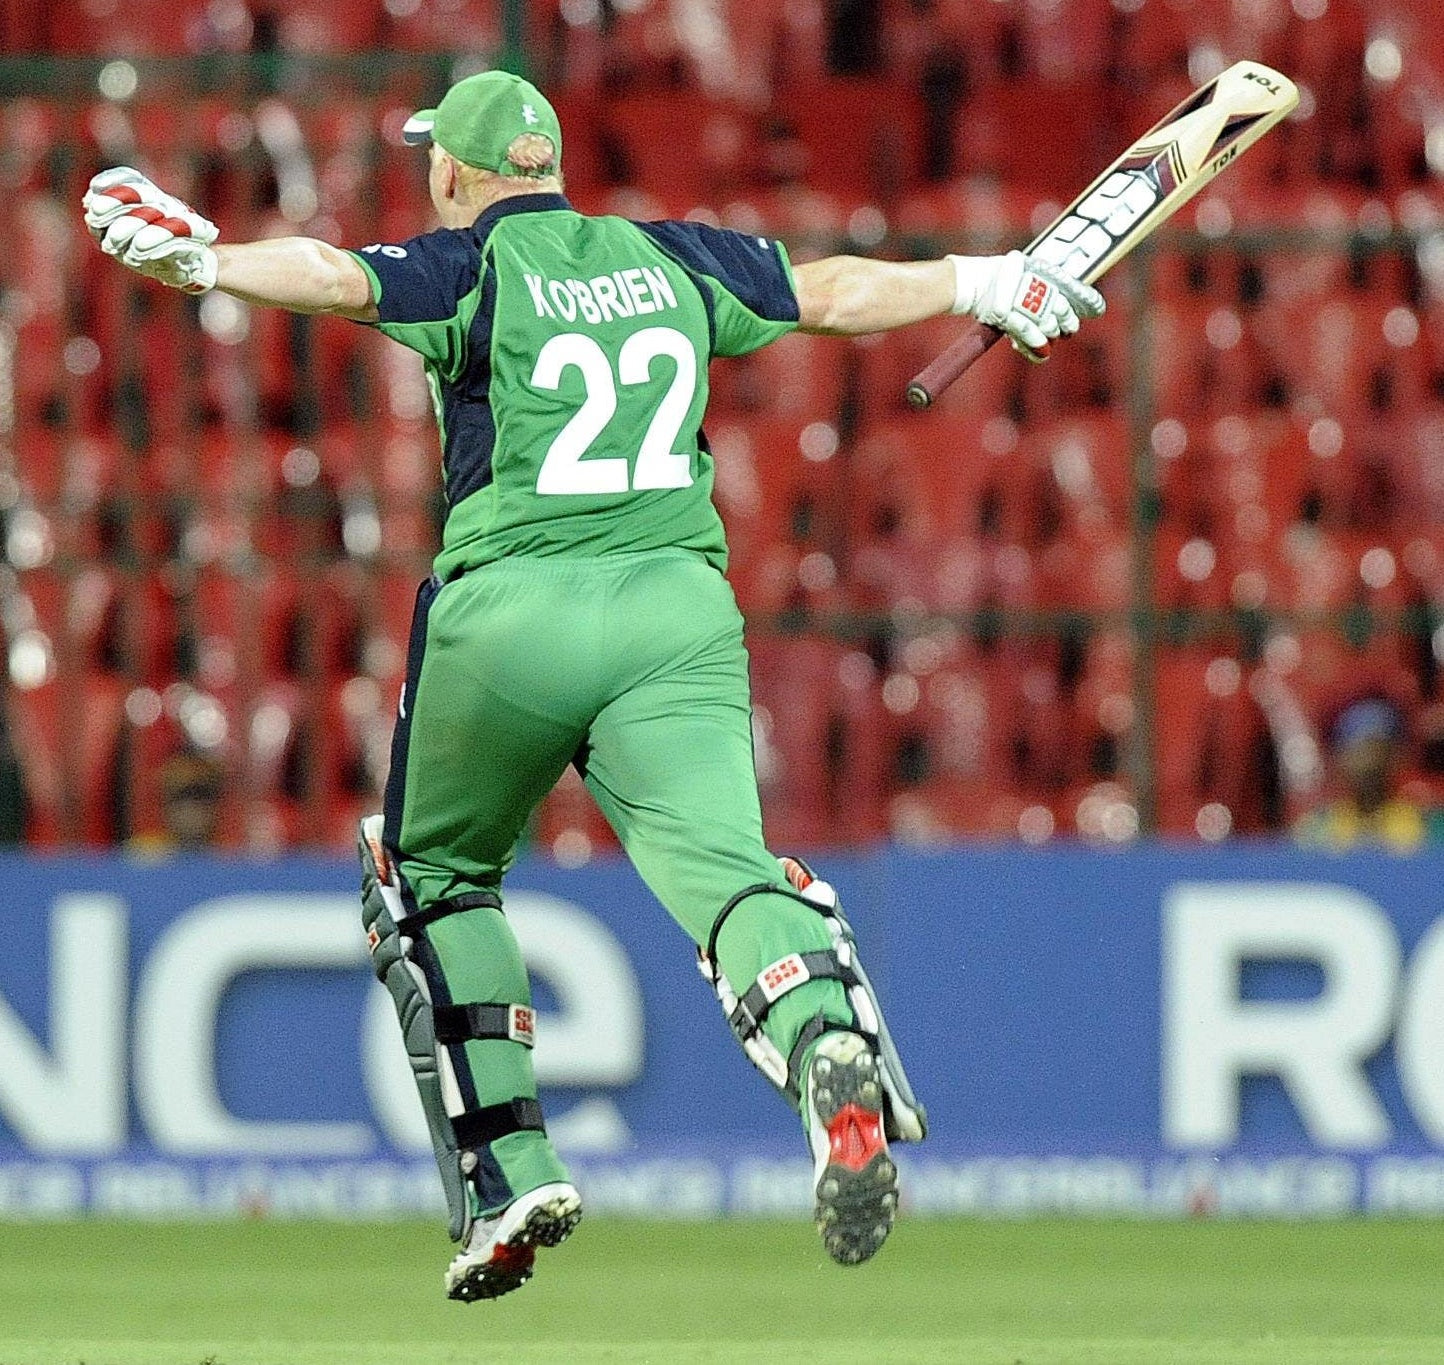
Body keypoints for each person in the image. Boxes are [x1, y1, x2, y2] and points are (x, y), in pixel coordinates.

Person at [82, 69, 1103, 1300]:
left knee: (431, 880)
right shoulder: (670, 258)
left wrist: (209, 261)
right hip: (673, 615)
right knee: (730, 878)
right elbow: (833, 291)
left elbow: (337, 275)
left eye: (431, 164)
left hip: (508, 616)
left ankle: (509, 1179)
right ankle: (824, 1036)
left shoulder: (468, 265)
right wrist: (989, 280)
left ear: (455, 173)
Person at [1294, 696, 1444, 852]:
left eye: (1375, 750)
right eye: (1357, 752)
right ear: (1340, 760)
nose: (1368, 764)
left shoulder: (1430, 826)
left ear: (1396, 757)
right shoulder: (1316, 831)